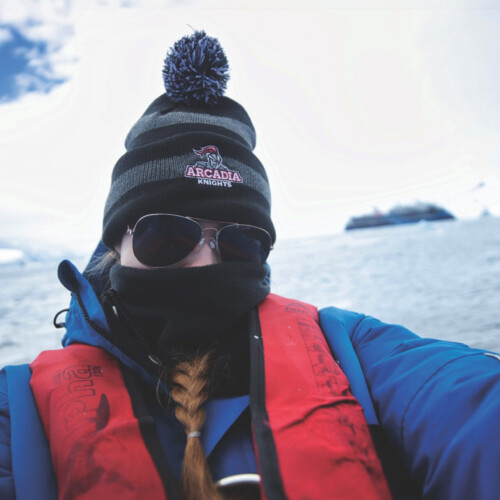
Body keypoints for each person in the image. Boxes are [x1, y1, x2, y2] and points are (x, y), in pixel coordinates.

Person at [1, 31, 499, 500]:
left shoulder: (354, 351)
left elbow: (470, 407)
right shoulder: (17, 410)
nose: (204, 263)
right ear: (115, 242)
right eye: (168, 235)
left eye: (239, 243)